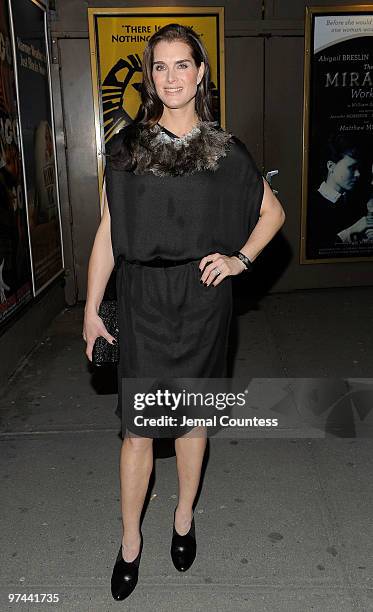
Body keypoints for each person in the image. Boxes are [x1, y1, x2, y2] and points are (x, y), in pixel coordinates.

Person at [83, 23, 285, 601]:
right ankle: (129, 544)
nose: (171, 77)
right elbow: (106, 233)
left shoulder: (225, 152)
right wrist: (94, 309)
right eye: (161, 67)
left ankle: (183, 518)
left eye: (182, 66)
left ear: (200, 75)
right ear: (150, 76)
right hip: (143, 301)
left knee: (193, 420)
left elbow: (272, 214)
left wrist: (241, 259)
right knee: (139, 430)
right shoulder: (124, 150)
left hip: (201, 302)